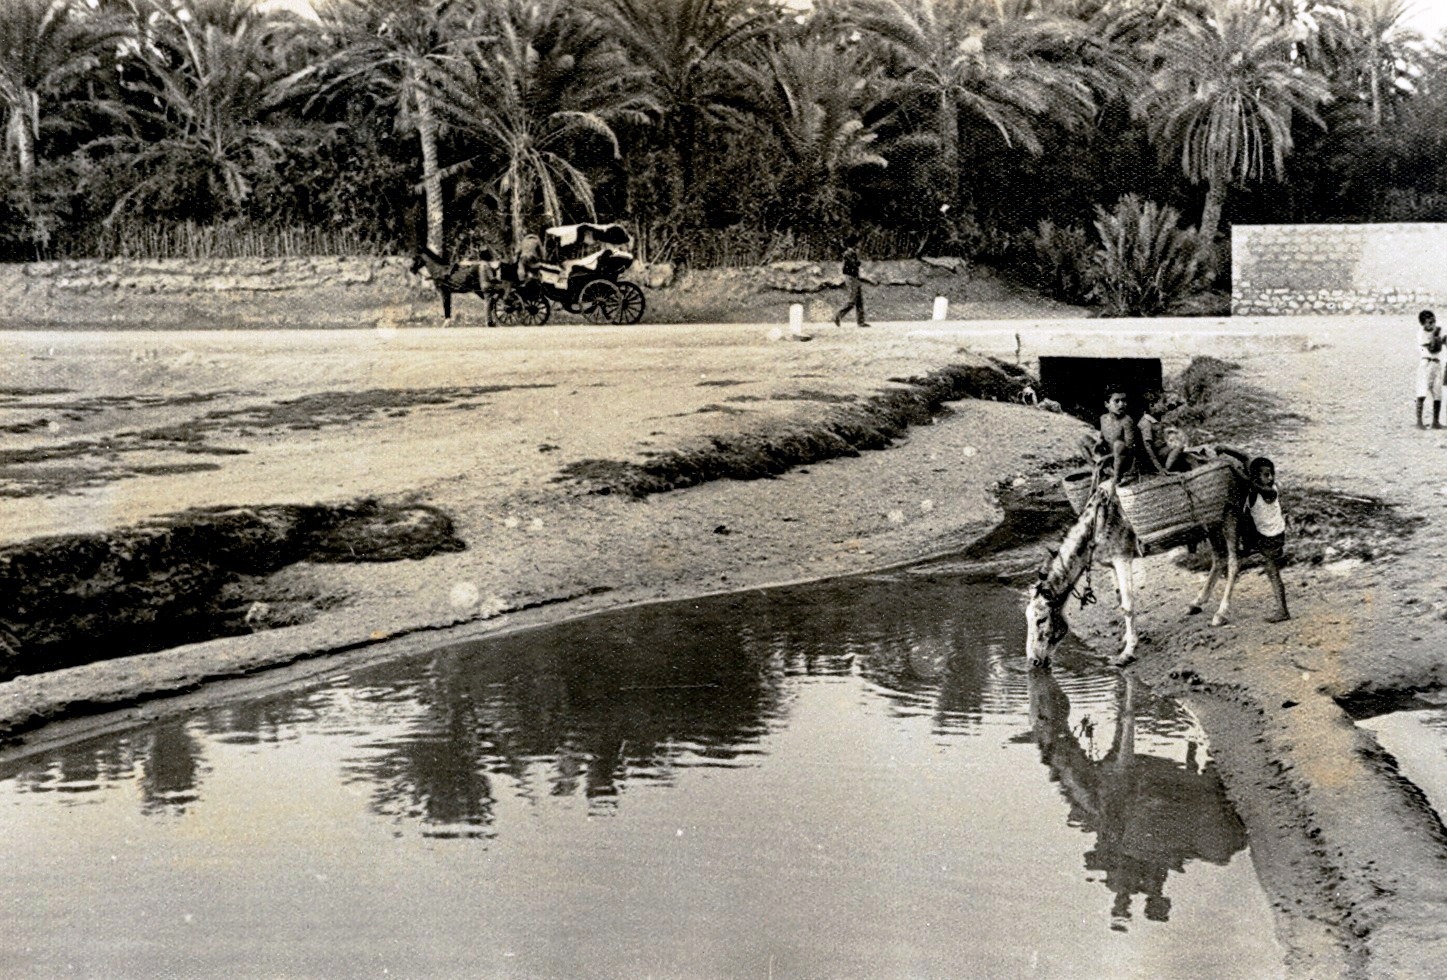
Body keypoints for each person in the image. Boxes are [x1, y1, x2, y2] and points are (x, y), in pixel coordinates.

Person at [1240, 455, 1291, 623]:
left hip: (1273, 537)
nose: (1270, 478)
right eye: (1266, 475)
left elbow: (1248, 482)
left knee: (1273, 572)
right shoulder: (1256, 491)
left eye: (1271, 474)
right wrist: (1227, 450)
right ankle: (1248, 547)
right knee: (1271, 570)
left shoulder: (1269, 491)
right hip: (1267, 534)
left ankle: (1283, 611)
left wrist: (1233, 469)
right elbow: (1246, 458)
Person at [1079, 386, 1141, 486]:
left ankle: (1116, 477)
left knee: (1118, 444)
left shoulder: (1127, 421)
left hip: (1122, 460)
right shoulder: (1103, 418)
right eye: (1116, 401)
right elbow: (1103, 436)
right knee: (1083, 440)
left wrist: (1106, 457)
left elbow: (1129, 447)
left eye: (1124, 401)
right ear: (1107, 404)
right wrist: (1099, 442)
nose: (1121, 404)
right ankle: (1097, 469)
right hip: (1108, 456)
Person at [1138, 390, 1187, 474]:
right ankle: (1167, 469)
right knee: (1178, 446)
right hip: (1157, 455)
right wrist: (1160, 469)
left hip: (1162, 450)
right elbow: (1148, 447)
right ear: (1152, 405)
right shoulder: (1146, 423)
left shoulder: (1154, 419)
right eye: (1162, 403)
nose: (1164, 406)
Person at [833, 234, 869, 328]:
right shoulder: (849, 253)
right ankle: (837, 315)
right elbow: (856, 264)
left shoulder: (851, 252)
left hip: (854, 277)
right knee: (852, 300)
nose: (861, 244)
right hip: (851, 277)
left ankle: (860, 322)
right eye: (859, 242)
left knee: (858, 300)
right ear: (855, 243)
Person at [1417, 309, 1444, 429]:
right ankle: (1419, 421)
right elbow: (1432, 348)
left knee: (1438, 393)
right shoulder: (1421, 334)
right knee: (1422, 391)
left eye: (1433, 321)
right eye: (1429, 322)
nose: (1432, 324)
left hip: (1436, 363)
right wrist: (1436, 335)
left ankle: (1435, 421)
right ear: (1423, 323)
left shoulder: (1438, 330)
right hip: (1426, 363)